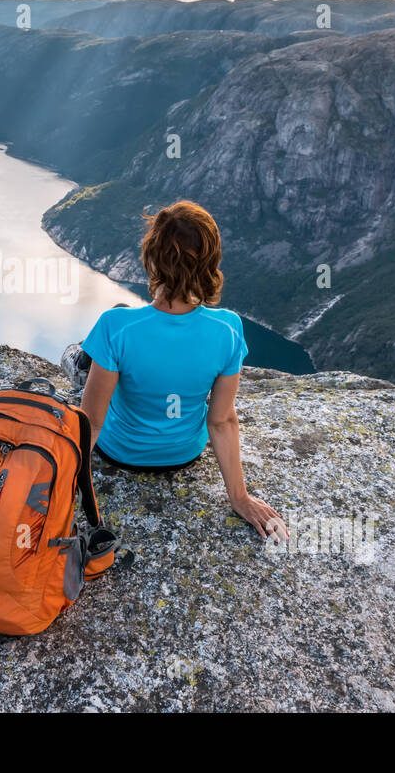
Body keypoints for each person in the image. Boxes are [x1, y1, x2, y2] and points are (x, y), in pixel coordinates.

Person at [61, 201, 289, 544]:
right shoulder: (228, 329)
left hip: (122, 451)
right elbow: (222, 420)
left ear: (152, 259)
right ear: (211, 263)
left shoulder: (116, 326)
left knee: (79, 355)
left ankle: (81, 362)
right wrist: (240, 499)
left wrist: (61, 492)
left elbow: (92, 421)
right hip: (183, 453)